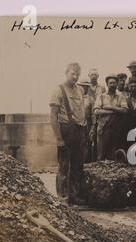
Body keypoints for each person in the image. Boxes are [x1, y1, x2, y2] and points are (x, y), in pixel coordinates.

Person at [49, 62, 87, 205]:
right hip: (66, 130)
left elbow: (82, 111)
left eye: (78, 74)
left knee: (78, 166)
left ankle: (75, 196)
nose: (75, 76)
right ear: (66, 73)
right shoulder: (58, 90)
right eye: (73, 73)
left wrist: (84, 132)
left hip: (80, 131)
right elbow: (53, 116)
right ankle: (63, 197)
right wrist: (59, 138)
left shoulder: (80, 90)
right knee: (64, 166)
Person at [91, 74, 128, 161]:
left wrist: (110, 107)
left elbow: (125, 110)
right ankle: (100, 173)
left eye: (114, 83)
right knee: (101, 154)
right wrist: (114, 111)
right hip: (103, 128)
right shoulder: (101, 96)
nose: (112, 85)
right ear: (107, 84)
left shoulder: (121, 97)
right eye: (110, 83)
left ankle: (109, 173)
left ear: (117, 83)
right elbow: (96, 111)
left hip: (116, 128)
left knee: (112, 154)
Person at [87, 68, 106, 161]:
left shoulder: (102, 88)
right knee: (87, 138)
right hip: (87, 116)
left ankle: (96, 160)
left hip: (98, 115)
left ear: (98, 76)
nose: (93, 76)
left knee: (98, 139)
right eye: (92, 75)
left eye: (95, 75)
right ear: (89, 76)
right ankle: (87, 160)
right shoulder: (85, 86)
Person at [77, 78, 96, 163]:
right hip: (76, 125)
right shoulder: (75, 98)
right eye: (82, 86)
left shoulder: (91, 99)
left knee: (87, 144)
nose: (84, 88)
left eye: (86, 87)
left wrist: (93, 128)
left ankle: (86, 165)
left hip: (87, 124)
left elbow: (93, 114)